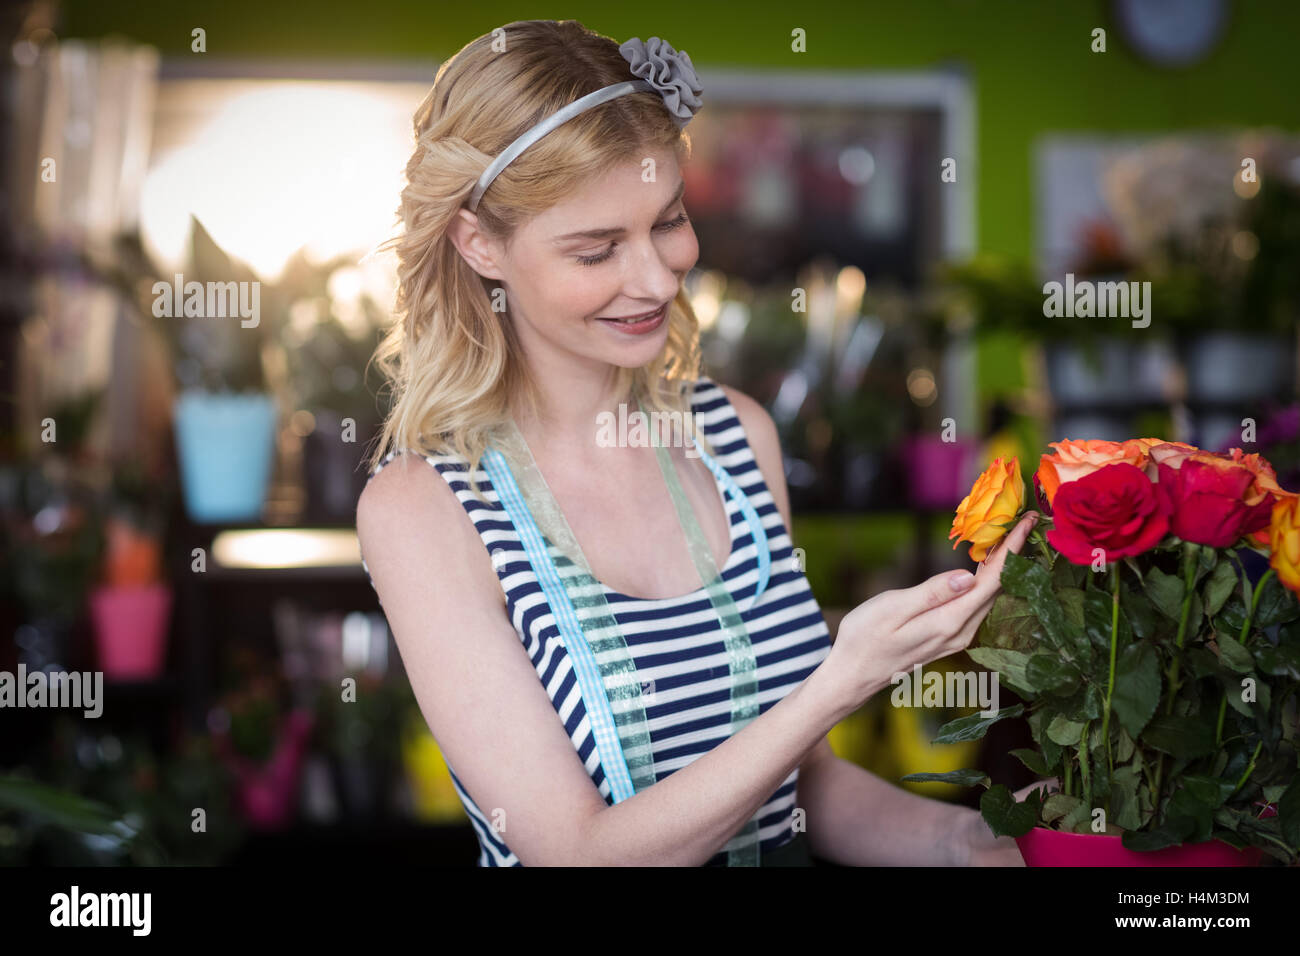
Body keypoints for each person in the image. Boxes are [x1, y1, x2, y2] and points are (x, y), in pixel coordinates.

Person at [355, 18, 1044, 867]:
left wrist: (984, 842)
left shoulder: (734, 435)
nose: (654, 277)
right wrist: (842, 682)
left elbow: (804, 791)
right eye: (596, 249)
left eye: (667, 221)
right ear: (479, 243)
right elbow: (576, 854)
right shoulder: (427, 506)